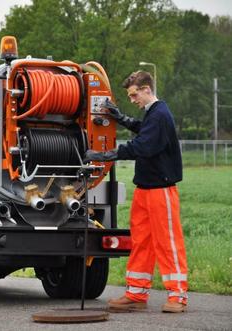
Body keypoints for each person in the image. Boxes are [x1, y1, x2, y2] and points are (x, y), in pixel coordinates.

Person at [84, 71, 188, 313]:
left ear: (147, 89)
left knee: (167, 242)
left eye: (134, 95)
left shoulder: (161, 114)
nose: (132, 99)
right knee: (141, 242)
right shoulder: (153, 114)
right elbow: (143, 129)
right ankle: (136, 293)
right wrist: (121, 118)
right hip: (145, 188)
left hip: (161, 190)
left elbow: (144, 145)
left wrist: (105, 155)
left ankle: (178, 295)